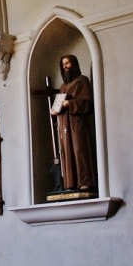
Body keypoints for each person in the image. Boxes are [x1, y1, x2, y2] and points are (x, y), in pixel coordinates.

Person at [50, 55, 97, 191]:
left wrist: (69, 103)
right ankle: (70, 183)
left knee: (79, 150)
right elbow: (59, 104)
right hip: (64, 125)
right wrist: (55, 110)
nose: (65, 66)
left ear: (74, 64)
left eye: (67, 63)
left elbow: (87, 104)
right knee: (67, 152)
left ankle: (85, 182)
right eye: (63, 64)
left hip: (77, 124)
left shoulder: (82, 81)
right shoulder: (63, 86)